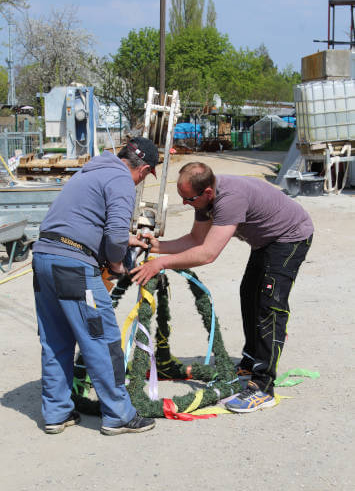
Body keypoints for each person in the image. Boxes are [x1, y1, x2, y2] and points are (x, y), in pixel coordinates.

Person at [131, 162, 314, 414]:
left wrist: (161, 263)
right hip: (266, 241)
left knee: (269, 305)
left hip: (289, 237)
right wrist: (156, 247)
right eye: (182, 198)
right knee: (249, 294)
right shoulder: (205, 198)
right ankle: (251, 361)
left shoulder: (229, 200)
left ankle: (263, 386)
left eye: (189, 199)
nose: (185, 204)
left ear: (207, 192)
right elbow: (195, 239)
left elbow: (207, 253)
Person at [32, 137, 158, 435]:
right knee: (101, 337)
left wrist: (124, 241)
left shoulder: (91, 171)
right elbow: (114, 236)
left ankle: (56, 413)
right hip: (73, 268)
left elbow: (86, 223)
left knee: (55, 338)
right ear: (145, 169)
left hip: (44, 259)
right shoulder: (122, 180)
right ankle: (118, 413)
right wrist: (118, 264)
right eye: (145, 177)